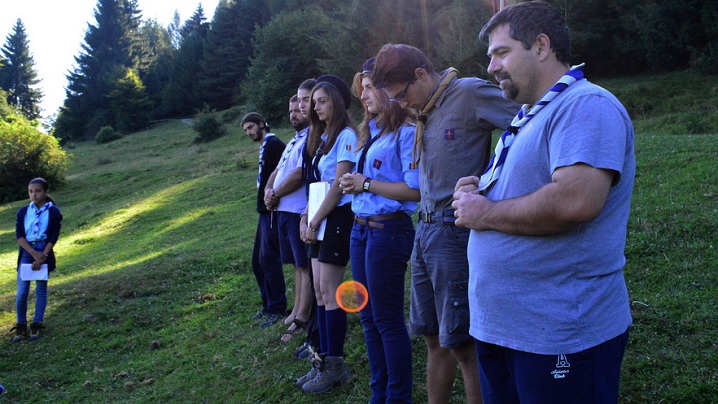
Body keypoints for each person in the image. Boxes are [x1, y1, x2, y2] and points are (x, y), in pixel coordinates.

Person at [451, 2, 635, 402]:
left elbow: (576, 200)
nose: (492, 67)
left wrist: (487, 212)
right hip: (507, 328)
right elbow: (529, 187)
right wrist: (482, 188)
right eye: (490, 57)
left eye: (501, 53)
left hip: (559, 333)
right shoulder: (531, 116)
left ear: (540, 46)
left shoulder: (586, 105)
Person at [372, 44, 519, 403]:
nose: (402, 105)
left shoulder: (468, 93)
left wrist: (493, 182)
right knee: (432, 337)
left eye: (402, 95)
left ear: (421, 74)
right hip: (424, 231)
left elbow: (527, 124)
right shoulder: (425, 109)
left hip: (455, 233)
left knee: (464, 343)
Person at [339, 57, 419, 403]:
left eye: (370, 87)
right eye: (362, 89)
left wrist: (366, 183)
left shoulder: (407, 132)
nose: (365, 96)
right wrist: (352, 183)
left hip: (389, 232)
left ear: (389, 90)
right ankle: (379, 394)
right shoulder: (369, 131)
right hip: (360, 231)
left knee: (387, 320)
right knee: (368, 318)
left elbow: (414, 190)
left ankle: (397, 398)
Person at [295, 74, 357, 394]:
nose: (315, 108)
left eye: (321, 101)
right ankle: (320, 360)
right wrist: (307, 216)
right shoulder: (325, 138)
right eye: (313, 102)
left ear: (336, 101)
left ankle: (336, 365)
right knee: (320, 290)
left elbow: (338, 186)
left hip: (336, 218)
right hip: (321, 218)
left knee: (332, 293)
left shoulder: (346, 135)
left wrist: (315, 220)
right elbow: (317, 186)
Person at [264, 95, 313, 342]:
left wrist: (276, 193)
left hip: (297, 210)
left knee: (304, 265)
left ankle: (302, 317)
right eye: (291, 109)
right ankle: (295, 309)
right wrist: (268, 191)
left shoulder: (311, 138)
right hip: (283, 210)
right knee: (296, 265)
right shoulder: (294, 140)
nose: (294, 113)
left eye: (299, 109)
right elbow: (277, 171)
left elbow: (298, 174)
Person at [242, 112, 287, 329]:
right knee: (258, 262)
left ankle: (277, 308)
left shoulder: (274, 145)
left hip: (273, 210)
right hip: (264, 211)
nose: (249, 132)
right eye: (246, 130)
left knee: (268, 260)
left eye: (251, 127)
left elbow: (285, 173)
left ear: (261, 124)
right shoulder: (265, 146)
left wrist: (274, 197)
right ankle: (268, 305)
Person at [11, 177, 63, 342]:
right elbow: (19, 236)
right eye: (31, 191)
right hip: (28, 251)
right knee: (22, 292)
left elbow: (53, 236)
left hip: (44, 251)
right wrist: (34, 254)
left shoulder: (54, 212)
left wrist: (43, 256)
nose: (34, 195)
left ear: (46, 192)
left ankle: (37, 323)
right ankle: (21, 324)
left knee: (40, 290)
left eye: (38, 191)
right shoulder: (23, 212)